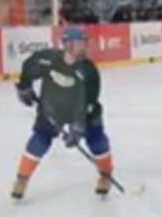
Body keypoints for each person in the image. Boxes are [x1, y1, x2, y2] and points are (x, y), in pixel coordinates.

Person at [11, 24, 115, 200]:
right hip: (52, 107)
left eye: (84, 43)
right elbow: (29, 66)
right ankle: (22, 179)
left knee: (97, 140)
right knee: (40, 138)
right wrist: (24, 86)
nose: (83, 46)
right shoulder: (48, 59)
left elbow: (88, 101)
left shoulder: (88, 70)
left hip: (83, 111)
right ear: (67, 44)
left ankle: (106, 175)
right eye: (79, 43)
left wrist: (78, 126)